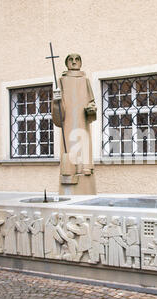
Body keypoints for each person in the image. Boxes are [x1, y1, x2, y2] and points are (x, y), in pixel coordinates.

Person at [52, 53, 97, 195]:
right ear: (66, 63)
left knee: (83, 148)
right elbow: (58, 110)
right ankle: (69, 172)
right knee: (70, 149)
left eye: (77, 59)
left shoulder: (85, 80)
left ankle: (84, 169)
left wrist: (91, 108)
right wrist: (57, 101)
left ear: (80, 62)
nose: (74, 62)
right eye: (71, 60)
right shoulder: (62, 81)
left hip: (82, 122)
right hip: (69, 124)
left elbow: (91, 101)